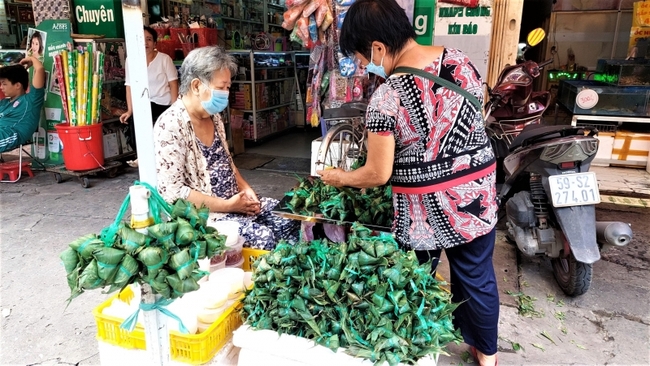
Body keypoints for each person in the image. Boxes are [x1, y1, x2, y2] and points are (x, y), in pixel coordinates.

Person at [317, 0, 499, 365]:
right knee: (477, 277)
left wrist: (339, 177)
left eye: (362, 57)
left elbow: (377, 173)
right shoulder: (459, 60)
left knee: (414, 282)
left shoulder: (387, 96)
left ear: (378, 48)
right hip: (476, 193)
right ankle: (486, 355)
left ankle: (413, 351)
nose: (365, 67)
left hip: (425, 211)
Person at [153, 46, 299, 250]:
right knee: (264, 237)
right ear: (196, 86)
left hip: (234, 204)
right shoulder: (170, 125)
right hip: (205, 217)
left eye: (228, 87)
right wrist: (229, 206)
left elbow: (227, 162)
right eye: (222, 87)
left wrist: (246, 190)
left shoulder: (213, 117)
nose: (226, 93)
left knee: (288, 216)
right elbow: (173, 192)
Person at [121, 26, 179, 163]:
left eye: (149, 39)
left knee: (163, 137)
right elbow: (129, 86)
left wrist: (175, 109)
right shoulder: (131, 60)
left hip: (163, 104)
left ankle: (162, 162)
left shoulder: (165, 59)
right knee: (134, 129)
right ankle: (143, 159)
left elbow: (173, 84)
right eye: (142, 40)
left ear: (155, 43)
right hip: (142, 104)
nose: (145, 43)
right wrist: (130, 110)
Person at [0, 56, 45, 153]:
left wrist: (32, 59)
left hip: (11, 134)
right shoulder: (4, 103)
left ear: (17, 85)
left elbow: (40, 69)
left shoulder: (31, 100)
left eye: (4, 84)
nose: (1, 87)